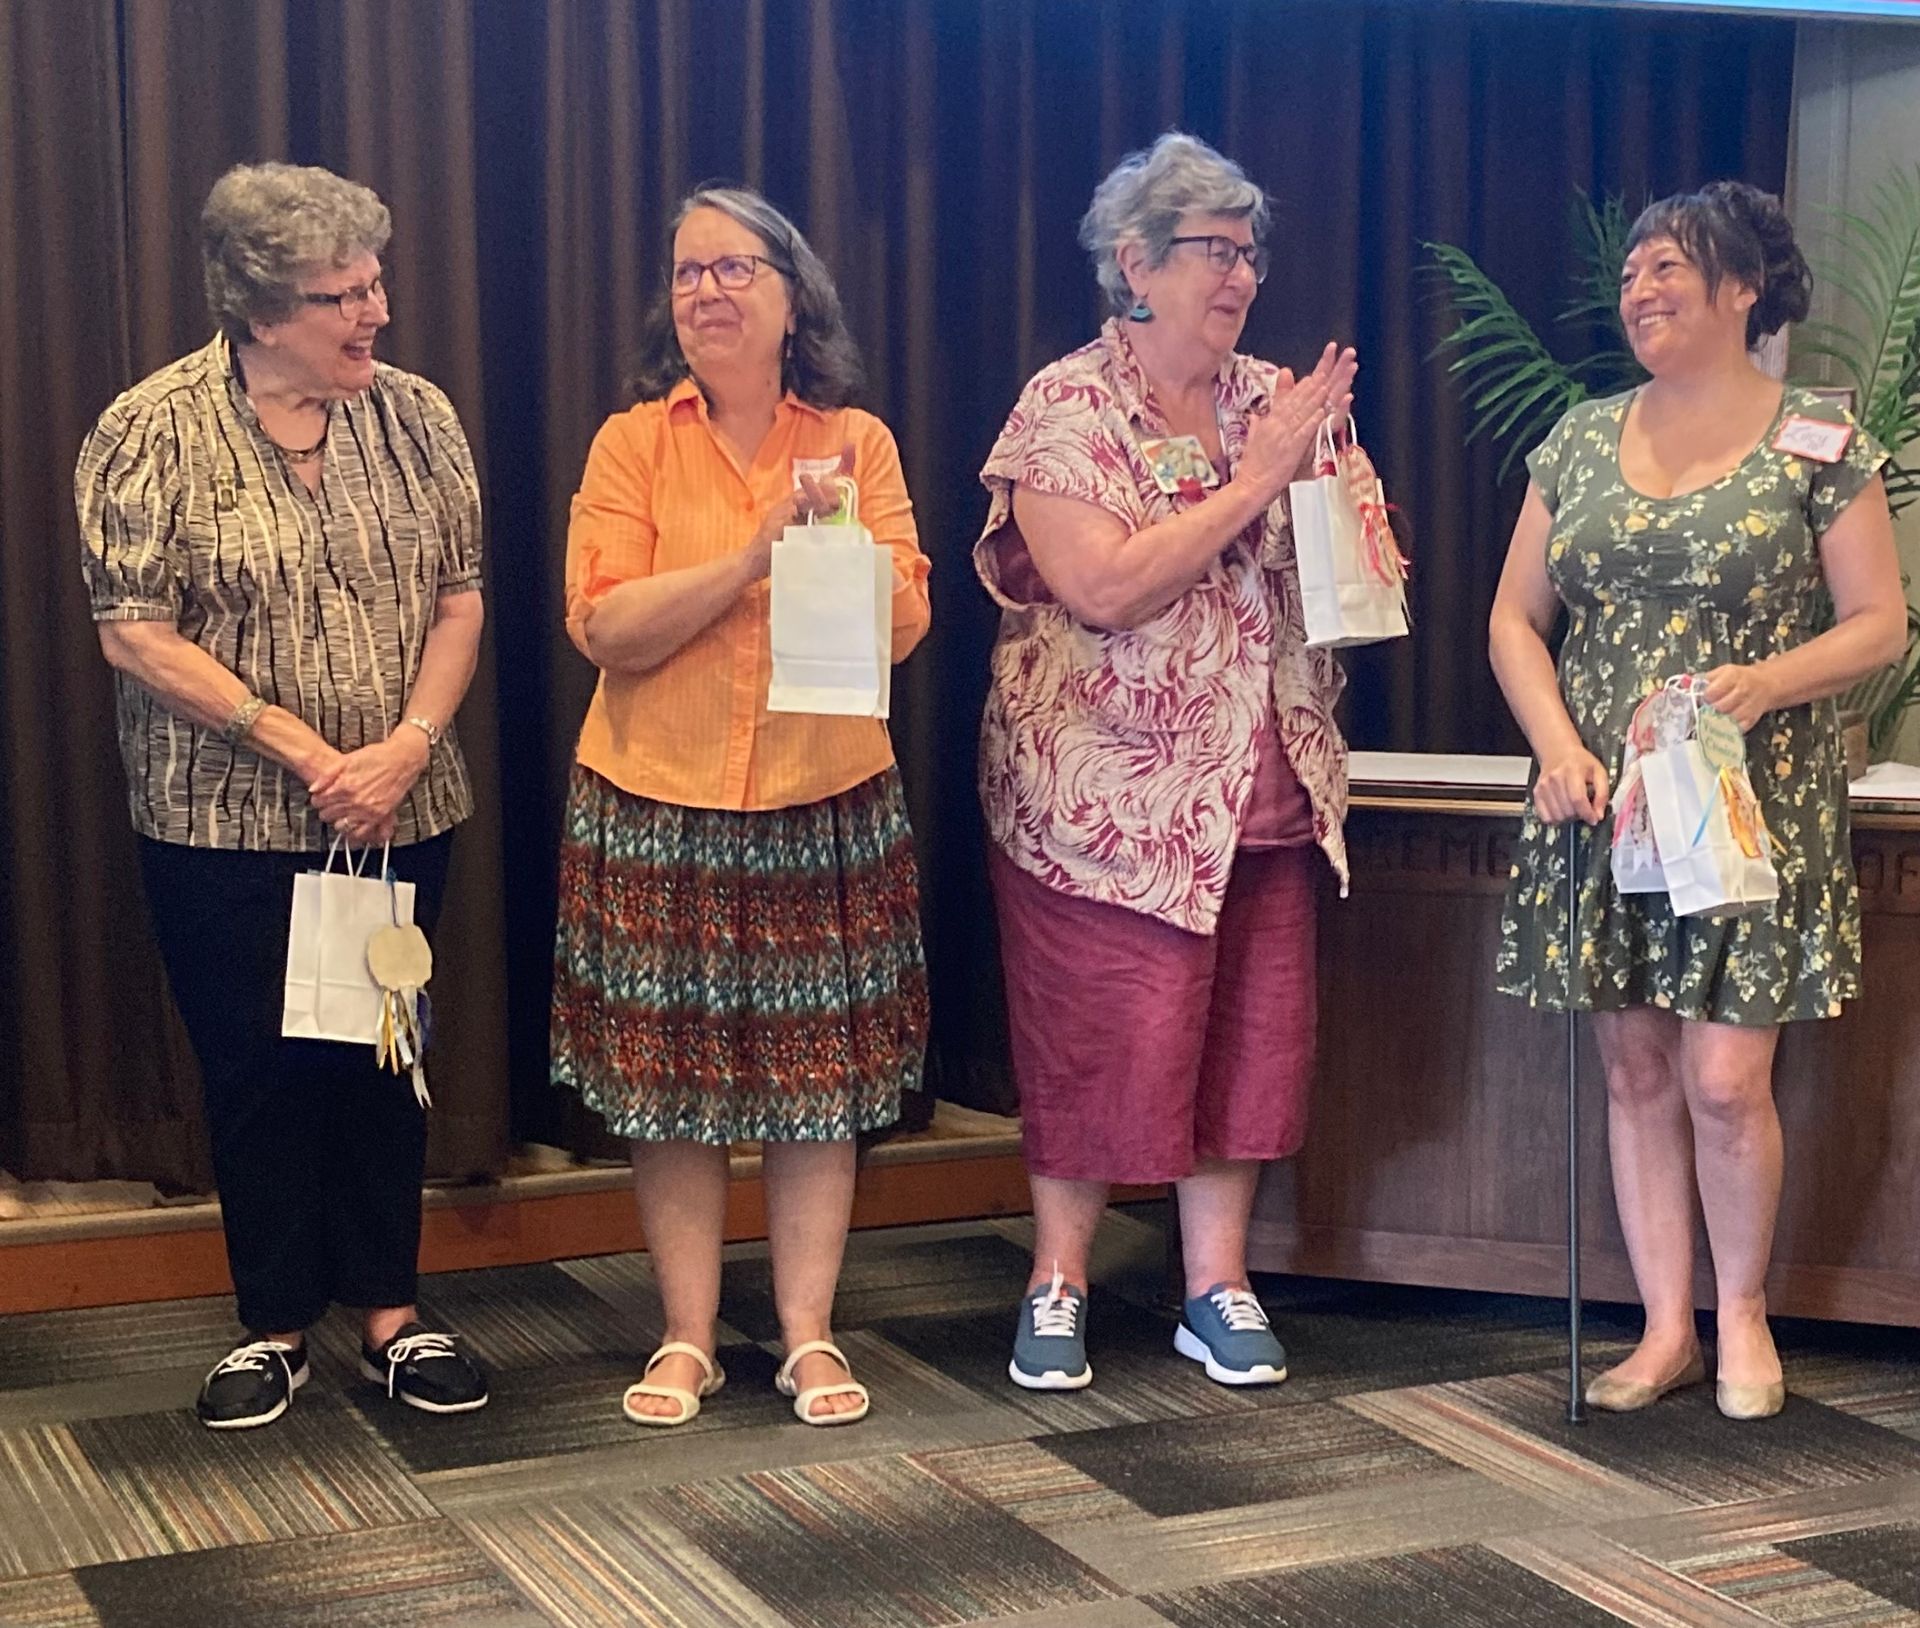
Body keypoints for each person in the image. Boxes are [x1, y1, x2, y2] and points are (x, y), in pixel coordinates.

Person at [75, 162, 490, 1429]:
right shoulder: (151, 426)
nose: (374, 314)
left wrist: (409, 743)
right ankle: (271, 1324)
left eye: (375, 285)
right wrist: (309, 753)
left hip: (399, 809)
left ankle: (391, 1312)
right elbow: (133, 631)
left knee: (379, 1059)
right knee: (256, 1068)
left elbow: (461, 596)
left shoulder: (414, 414)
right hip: (223, 824)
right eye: (339, 297)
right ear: (258, 310)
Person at [1490, 181, 1904, 1420]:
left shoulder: (1817, 438)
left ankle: (1743, 1315)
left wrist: (1769, 681)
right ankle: (1665, 1323)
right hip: (1605, 796)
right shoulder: (1576, 438)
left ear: (1744, 288)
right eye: (1631, 274)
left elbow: (1879, 624)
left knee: (1727, 1077)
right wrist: (1556, 744)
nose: (1642, 289)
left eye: (1672, 267)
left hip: (1746, 799)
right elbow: (1514, 619)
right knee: (1635, 1068)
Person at [974, 132, 1358, 1392]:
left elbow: (1357, 592)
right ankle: (1059, 1279)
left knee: (1252, 1037)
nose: (1240, 275)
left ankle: (1217, 1282)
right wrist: (1257, 481)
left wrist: (1337, 487)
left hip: (1266, 790)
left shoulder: (1278, 395)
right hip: (1104, 799)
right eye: (1213, 250)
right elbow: (1103, 585)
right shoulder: (1066, 403)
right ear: (1134, 263)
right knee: (1098, 1038)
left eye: (1250, 252)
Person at [553, 185, 932, 1429]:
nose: (704, 291)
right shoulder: (631, 444)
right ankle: (687, 1335)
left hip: (820, 799)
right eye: (685, 273)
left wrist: (836, 556)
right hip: (653, 801)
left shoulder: (858, 442)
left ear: (792, 294)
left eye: (731, 268)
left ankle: (811, 1333)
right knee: (669, 1089)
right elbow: (606, 626)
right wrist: (757, 552)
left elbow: (912, 621)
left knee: (817, 1086)